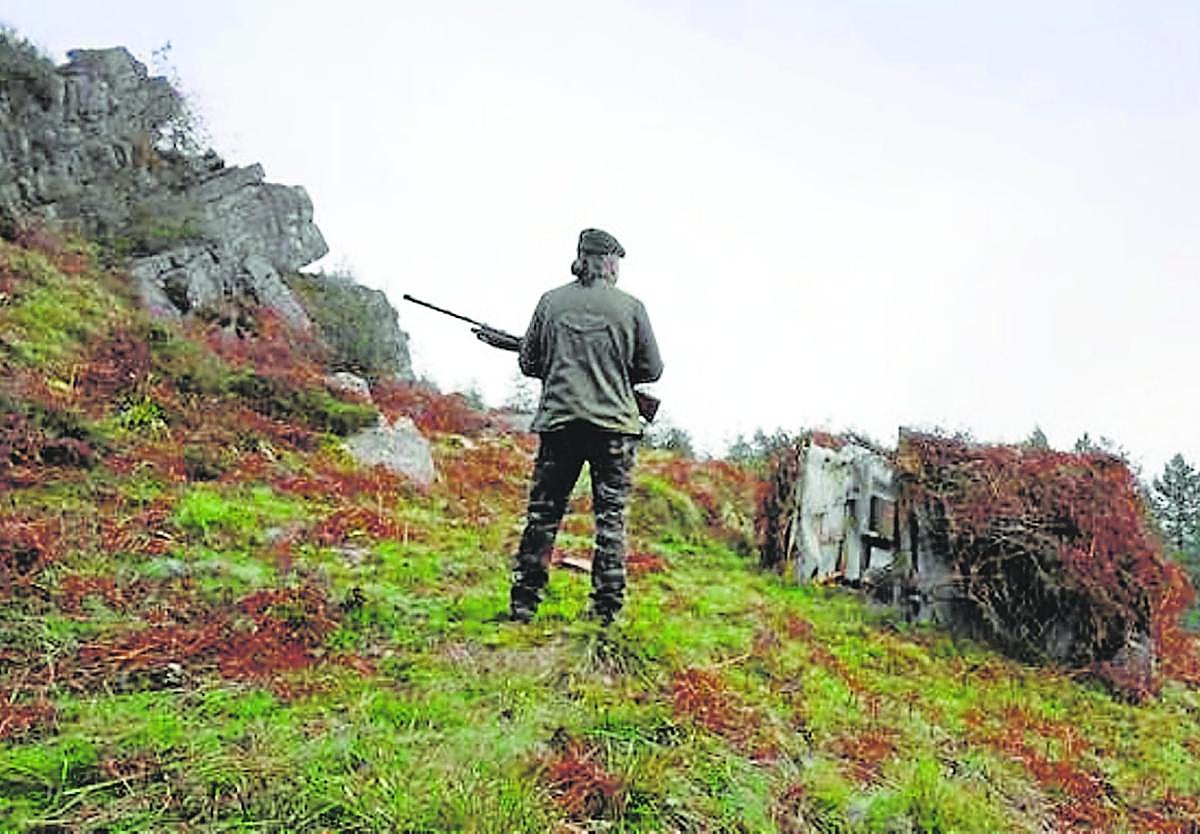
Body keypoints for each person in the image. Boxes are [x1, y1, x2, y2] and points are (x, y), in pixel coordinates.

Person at [496, 228, 663, 625]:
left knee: (543, 515)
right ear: (608, 261)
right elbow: (651, 370)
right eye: (617, 261)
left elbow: (529, 363)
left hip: (560, 424)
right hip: (615, 430)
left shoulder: (550, 302)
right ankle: (606, 610)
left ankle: (523, 605)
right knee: (610, 520)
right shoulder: (632, 307)